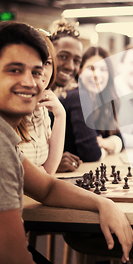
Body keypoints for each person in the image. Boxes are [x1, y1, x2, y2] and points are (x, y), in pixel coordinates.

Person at [0, 22, 133, 264]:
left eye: (37, 71)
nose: (30, 82)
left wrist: (104, 204)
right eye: (14, 70)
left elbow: (47, 187)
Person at [60, 46, 123, 162]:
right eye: (90, 68)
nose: (96, 74)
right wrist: (106, 149)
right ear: (79, 71)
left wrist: (109, 143)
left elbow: (120, 138)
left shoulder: (101, 102)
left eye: (103, 69)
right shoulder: (77, 96)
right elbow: (91, 153)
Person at [18, 31, 66, 174]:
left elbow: (49, 171)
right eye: (34, 62)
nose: (41, 70)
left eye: (47, 63)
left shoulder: (42, 107)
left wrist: (60, 115)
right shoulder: (7, 109)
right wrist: (37, 175)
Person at [49, 19, 85, 172]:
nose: (71, 66)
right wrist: (52, 162)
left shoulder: (53, 97)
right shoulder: (33, 99)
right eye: (63, 56)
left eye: (77, 61)